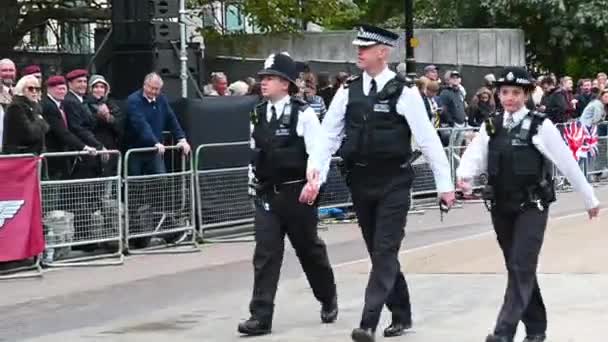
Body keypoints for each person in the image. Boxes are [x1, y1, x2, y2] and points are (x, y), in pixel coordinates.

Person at [308, 24, 456, 342]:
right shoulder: (348, 90)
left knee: (385, 249)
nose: (358, 52)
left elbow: (428, 140)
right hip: (361, 181)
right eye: (357, 47)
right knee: (379, 253)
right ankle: (401, 314)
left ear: (382, 52)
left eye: (365, 47)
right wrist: (315, 172)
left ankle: (367, 323)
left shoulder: (404, 91)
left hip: (394, 182)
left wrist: (445, 183)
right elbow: (328, 136)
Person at [456, 67, 600, 342]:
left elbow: (567, 163)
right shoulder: (492, 125)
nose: (509, 98)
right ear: (498, 94)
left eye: (516, 93)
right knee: (517, 267)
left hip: (532, 206)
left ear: (525, 95)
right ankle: (536, 329)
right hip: (501, 206)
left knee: (522, 265)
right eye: (505, 92)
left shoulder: (540, 125)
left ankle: (503, 332)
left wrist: (589, 198)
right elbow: (476, 154)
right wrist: (464, 176)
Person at [237, 52, 338, 336]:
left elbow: (319, 154)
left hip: (298, 194)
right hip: (268, 193)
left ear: (286, 83)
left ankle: (327, 296)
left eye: (270, 78)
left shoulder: (303, 113)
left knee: (309, 250)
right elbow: (253, 153)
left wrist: (314, 184)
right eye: (263, 78)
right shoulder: (257, 113)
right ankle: (260, 316)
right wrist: (251, 184)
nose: (264, 83)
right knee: (266, 255)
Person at [125, 72, 191, 176]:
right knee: (134, 183)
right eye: (151, 88)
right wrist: (155, 142)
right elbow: (141, 124)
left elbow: (171, 119)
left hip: (155, 151)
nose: (153, 91)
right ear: (144, 85)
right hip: (136, 150)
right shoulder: (133, 100)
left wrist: (182, 139)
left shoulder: (162, 99)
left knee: (161, 180)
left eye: (157, 89)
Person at [2, 74, 48, 154]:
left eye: (37, 89)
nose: (34, 91)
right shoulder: (16, 107)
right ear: (21, 90)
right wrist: (40, 121)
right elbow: (30, 134)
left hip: (35, 154)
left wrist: (39, 122)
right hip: (20, 156)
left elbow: (47, 128)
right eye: (30, 88)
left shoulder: (35, 106)